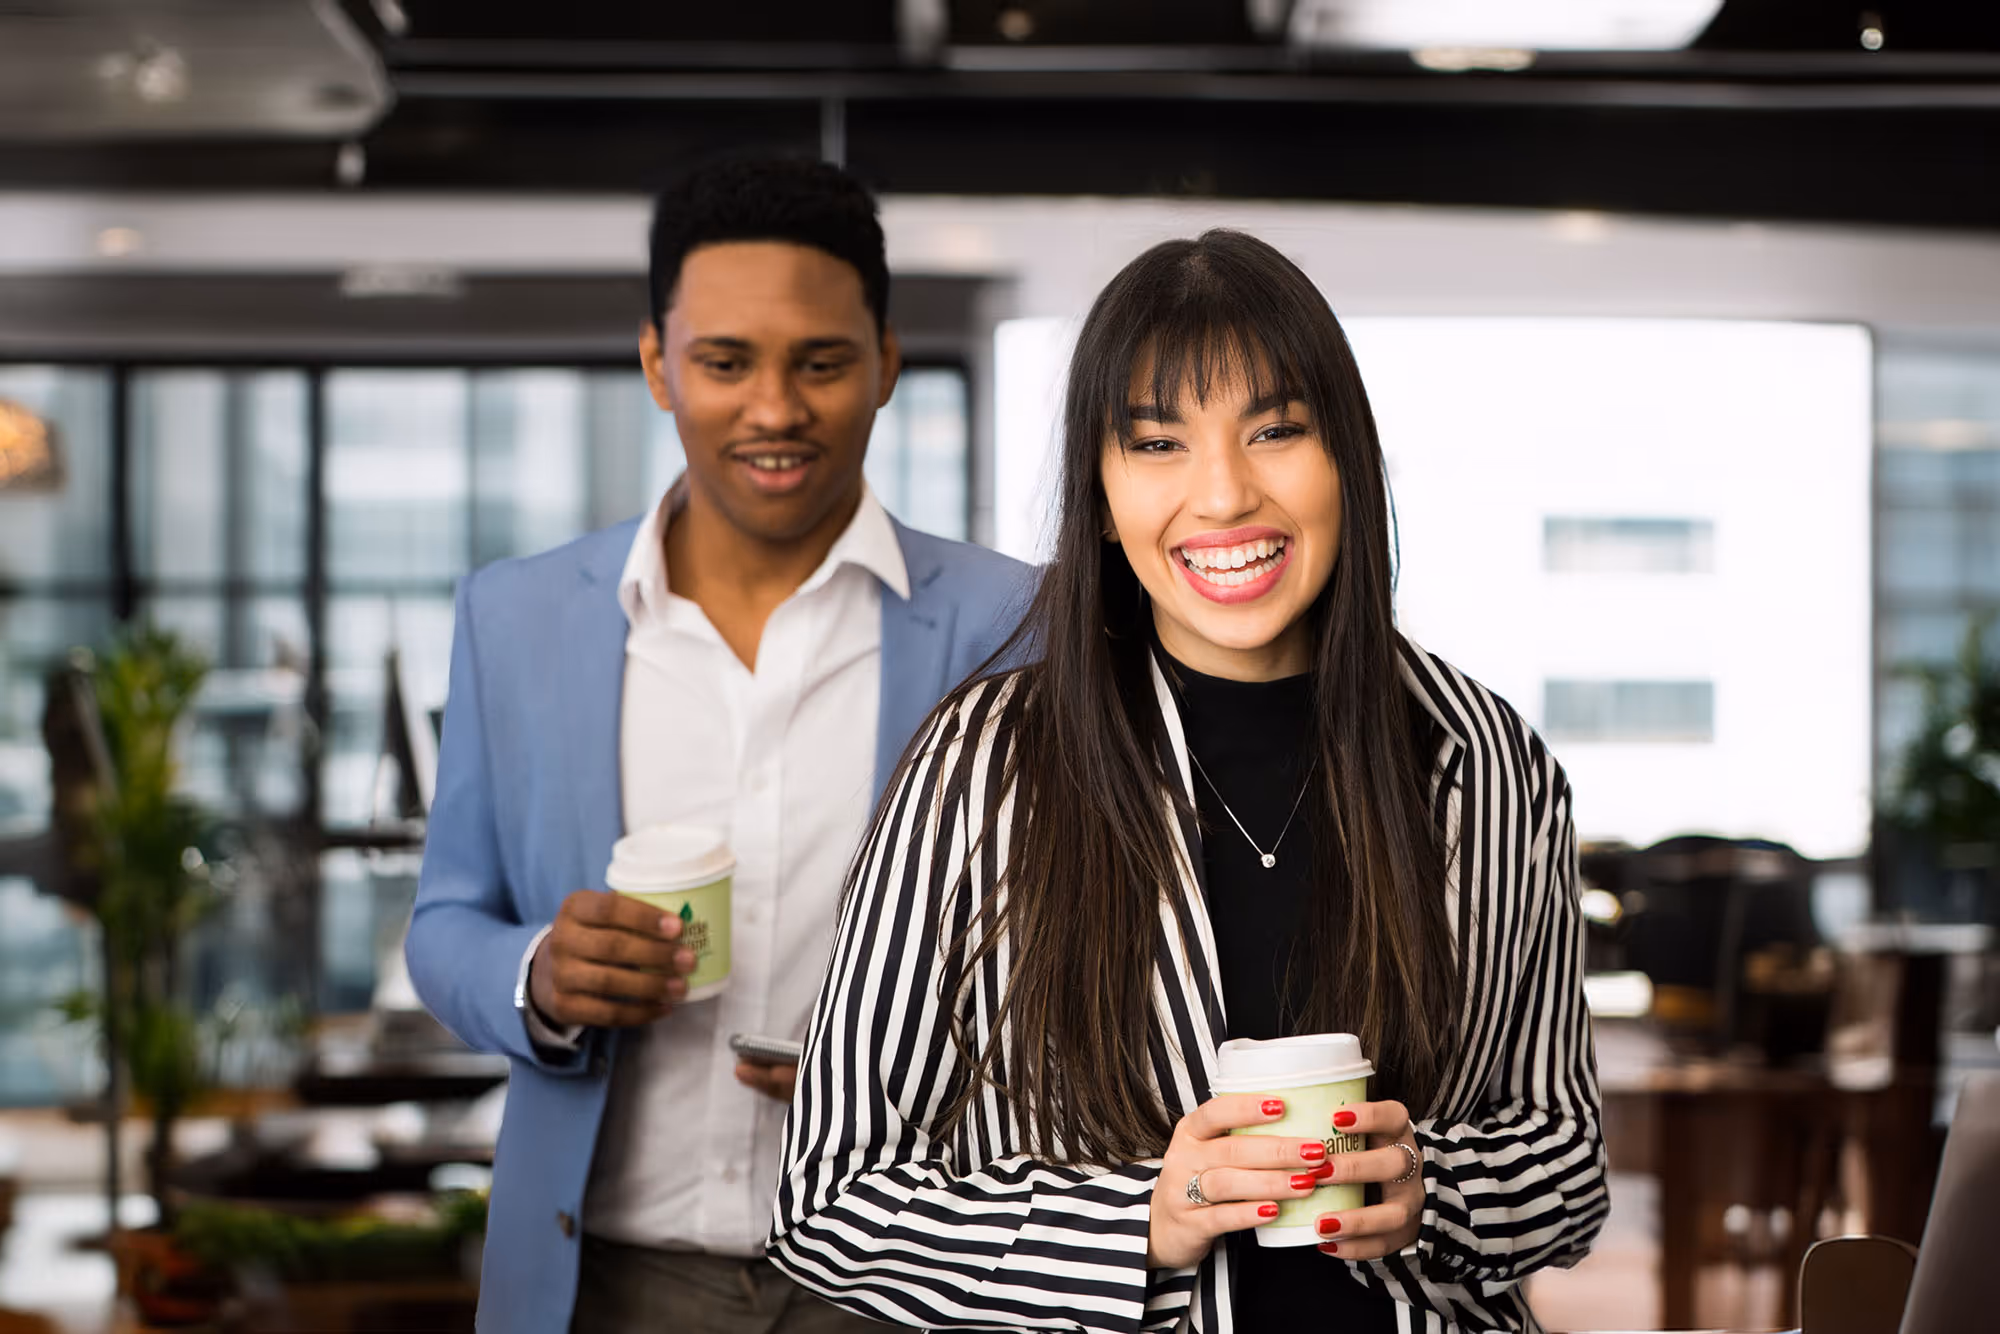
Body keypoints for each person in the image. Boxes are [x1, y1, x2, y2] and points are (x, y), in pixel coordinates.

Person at [767, 229, 1606, 1332]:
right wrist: (1138, 1222)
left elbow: (1566, 1161)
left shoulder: (1486, 760)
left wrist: (1432, 1188)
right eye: (1158, 444)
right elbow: (827, 1194)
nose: (1222, 496)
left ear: (1343, 455)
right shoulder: (982, 768)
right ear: (1100, 492)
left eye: (1274, 431)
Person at [406, 157, 1031, 1334]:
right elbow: (444, 920)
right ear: (656, 363)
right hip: (604, 1278)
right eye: (724, 361)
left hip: (916, 1274)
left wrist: (918, 1070)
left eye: (822, 361)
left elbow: (1094, 967)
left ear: (887, 361)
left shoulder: (1017, 626)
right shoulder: (517, 615)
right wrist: (538, 972)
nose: (775, 409)